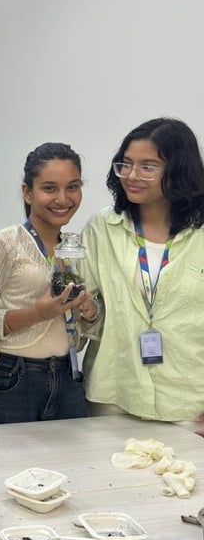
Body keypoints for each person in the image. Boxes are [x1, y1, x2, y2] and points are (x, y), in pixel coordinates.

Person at [82, 117, 204, 433]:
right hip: (114, 396)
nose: (132, 175)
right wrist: (84, 310)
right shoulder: (102, 229)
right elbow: (82, 315)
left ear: (179, 170)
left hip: (190, 403)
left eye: (148, 167)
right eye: (125, 164)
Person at [0, 143, 98, 425]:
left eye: (72, 187)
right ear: (27, 192)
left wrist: (90, 311)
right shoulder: (4, 243)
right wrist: (38, 313)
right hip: (11, 376)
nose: (63, 198)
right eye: (50, 188)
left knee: (74, 454)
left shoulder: (76, 249)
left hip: (67, 373)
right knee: (10, 454)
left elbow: (87, 320)